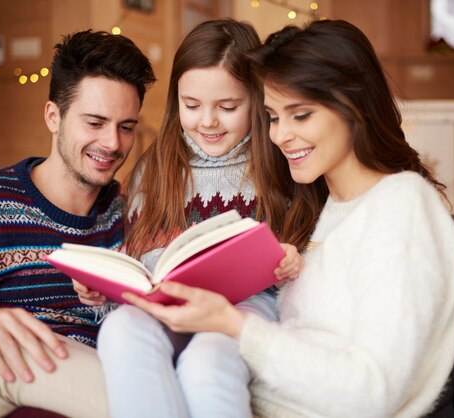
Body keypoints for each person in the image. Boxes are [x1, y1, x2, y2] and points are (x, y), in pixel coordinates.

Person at [124, 19, 454, 418]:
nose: (280, 135)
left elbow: (371, 392)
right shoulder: (329, 205)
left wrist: (234, 326)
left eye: (300, 115)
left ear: (354, 108)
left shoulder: (401, 206)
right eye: (272, 116)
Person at [73, 18, 303, 418]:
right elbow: (140, 252)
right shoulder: (157, 165)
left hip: (246, 307)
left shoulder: (281, 162)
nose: (207, 121)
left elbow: (303, 244)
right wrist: (105, 290)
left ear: (256, 98)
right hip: (168, 307)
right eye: (191, 106)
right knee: (120, 330)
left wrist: (291, 258)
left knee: (206, 363)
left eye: (228, 107)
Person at [0, 29, 155, 418]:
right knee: (13, 352)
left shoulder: (130, 220)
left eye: (126, 127)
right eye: (95, 122)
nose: (112, 143)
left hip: (80, 391)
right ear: (54, 117)